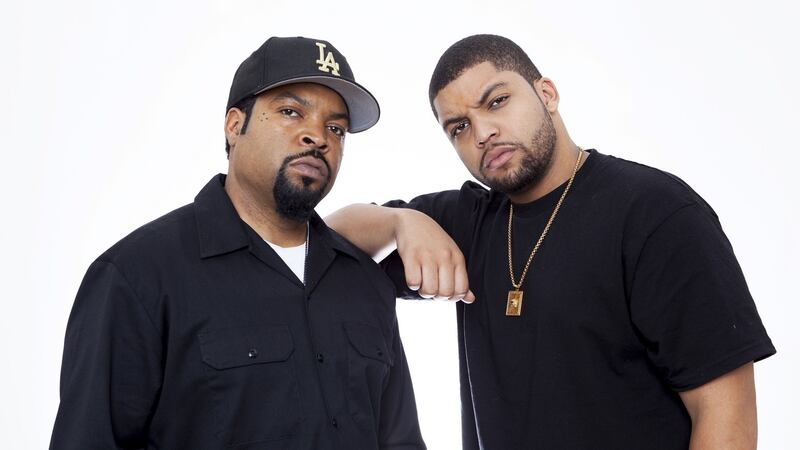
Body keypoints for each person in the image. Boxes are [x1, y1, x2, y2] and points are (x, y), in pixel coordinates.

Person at [326, 34, 775, 449]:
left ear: (547, 94)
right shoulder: (467, 221)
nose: (483, 133)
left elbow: (726, 412)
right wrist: (399, 222)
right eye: (459, 127)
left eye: (497, 101)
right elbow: (326, 242)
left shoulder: (655, 212)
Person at [50, 36, 426, 450]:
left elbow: (401, 441)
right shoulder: (137, 277)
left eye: (334, 128)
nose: (317, 137)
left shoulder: (364, 283)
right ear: (234, 125)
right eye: (290, 112)